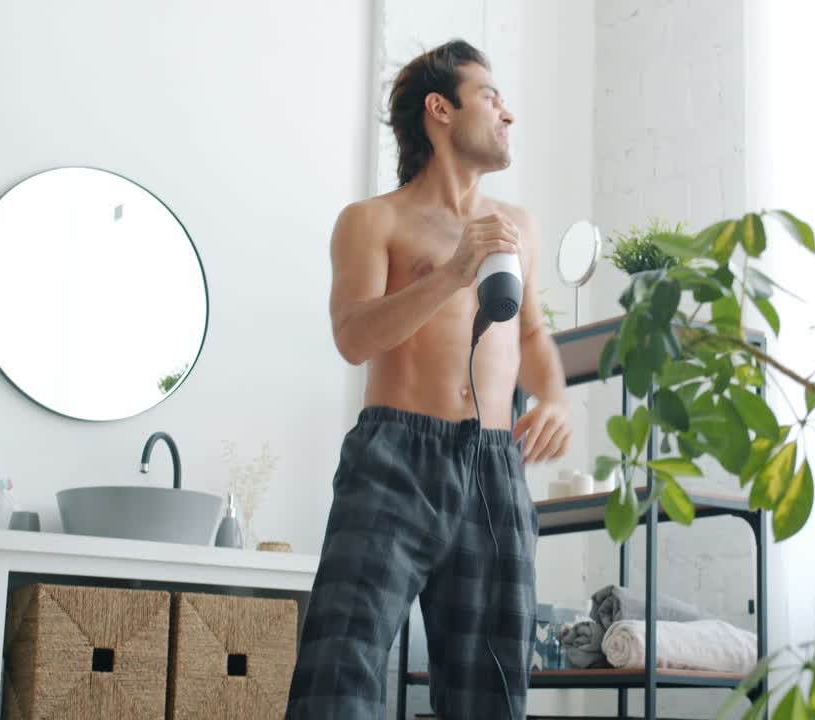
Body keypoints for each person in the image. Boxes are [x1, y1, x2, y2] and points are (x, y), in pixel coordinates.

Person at [284, 39, 573, 720]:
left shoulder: (518, 227)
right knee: (341, 666)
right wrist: (450, 274)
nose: (508, 115)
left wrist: (556, 395)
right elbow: (352, 337)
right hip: (394, 459)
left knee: (491, 687)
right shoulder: (372, 220)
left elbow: (530, 336)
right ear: (440, 110)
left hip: (495, 468)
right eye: (492, 98)